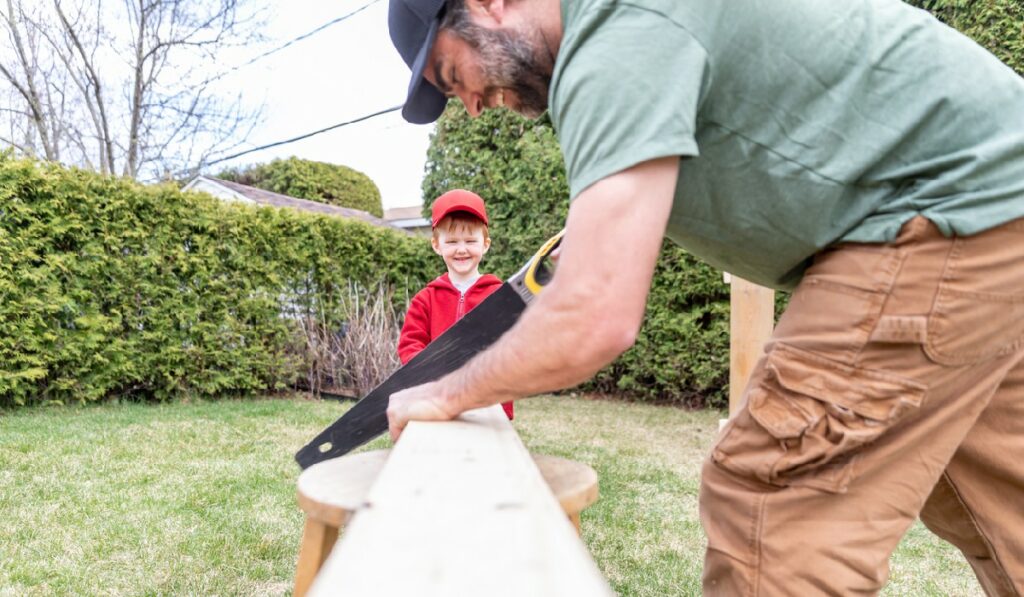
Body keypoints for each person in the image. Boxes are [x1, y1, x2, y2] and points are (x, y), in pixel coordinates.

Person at [385, 0, 1024, 593]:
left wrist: (445, 391)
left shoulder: (611, 33)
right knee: (992, 500)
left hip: (946, 207)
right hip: (994, 200)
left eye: (450, 74)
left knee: (773, 510)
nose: (469, 105)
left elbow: (594, 317)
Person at [397, 188, 514, 419]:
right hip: (436, 399)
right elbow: (410, 344)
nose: (461, 249)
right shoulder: (425, 299)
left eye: (471, 240)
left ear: (486, 244)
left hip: (489, 401)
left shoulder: (500, 295)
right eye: (451, 241)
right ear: (436, 245)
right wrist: (431, 372)